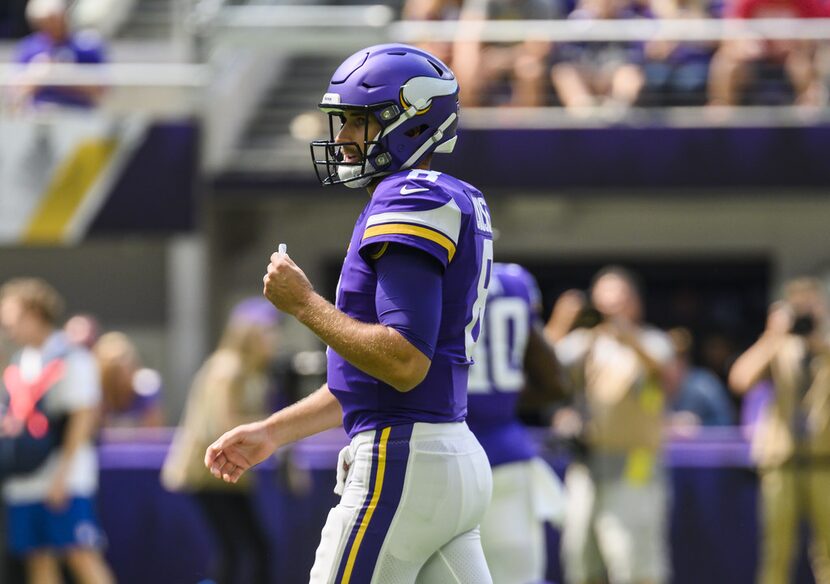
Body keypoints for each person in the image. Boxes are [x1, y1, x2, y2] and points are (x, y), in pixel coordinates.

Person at [205, 43, 496, 583]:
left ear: (409, 123)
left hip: (403, 457)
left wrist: (304, 304)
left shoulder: (406, 197)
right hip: (448, 455)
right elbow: (366, 380)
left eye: (357, 123)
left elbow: (405, 362)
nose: (341, 139)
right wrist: (274, 432)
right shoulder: (448, 196)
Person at [545, 266, 679, 584]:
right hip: (587, 468)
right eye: (602, 299)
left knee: (634, 563)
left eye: (617, 298)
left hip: (635, 468)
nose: (608, 307)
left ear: (634, 302)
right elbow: (543, 367)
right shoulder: (584, 342)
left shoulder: (652, 340)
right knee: (580, 560)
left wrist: (628, 337)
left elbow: (669, 378)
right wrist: (563, 321)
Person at [0, 278, 113, 584]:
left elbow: (82, 416)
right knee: (38, 558)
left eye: (11, 315)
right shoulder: (20, 360)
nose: (6, 324)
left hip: (64, 479)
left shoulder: (71, 357)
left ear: (34, 313)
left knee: (80, 554)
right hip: (25, 481)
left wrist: (62, 475)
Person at [162, 298, 279, 584]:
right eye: (267, 331)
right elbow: (222, 425)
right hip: (209, 473)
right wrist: (274, 427)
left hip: (229, 474)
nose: (274, 339)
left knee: (245, 550)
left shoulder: (254, 373)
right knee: (240, 551)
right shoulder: (226, 369)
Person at [466, 262, 567, 584]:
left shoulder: (433, 274)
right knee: (518, 578)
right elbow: (553, 382)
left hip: (440, 451)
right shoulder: (514, 281)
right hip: (506, 451)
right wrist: (502, 399)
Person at [729, 277, 830, 584]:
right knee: (777, 552)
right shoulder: (778, 348)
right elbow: (740, 380)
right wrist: (772, 336)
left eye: (809, 305)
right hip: (781, 463)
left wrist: (819, 342)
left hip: (824, 463)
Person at [11, 0, 107, 110]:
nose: (50, 27)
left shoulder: (86, 45)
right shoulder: (29, 47)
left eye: (53, 20)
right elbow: (15, 92)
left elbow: (101, 89)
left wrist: (67, 75)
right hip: (40, 115)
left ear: (63, 17)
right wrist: (38, 73)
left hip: (77, 114)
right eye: (44, 23)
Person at [93, 332, 164, 429]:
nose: (119, 375)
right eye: (113, 371)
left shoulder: (146, 387)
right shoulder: (94, 393)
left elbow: (154, 433)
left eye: (124, 361)